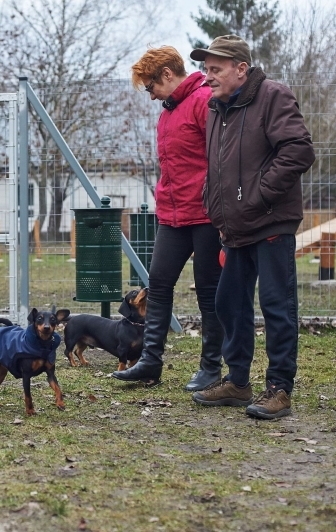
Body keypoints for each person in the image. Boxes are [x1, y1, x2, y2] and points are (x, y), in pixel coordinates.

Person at [188, 35, 315, 419]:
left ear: (240, 69)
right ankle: (238, 381)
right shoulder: (216, 109)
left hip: (271, 221)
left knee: (276, 305)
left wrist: (256, 196)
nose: (207, 76)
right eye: (205, 69)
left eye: (215, 69)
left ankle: (279, 388)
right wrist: (217, 203)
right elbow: (216, 168)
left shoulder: (273, 96)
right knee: (229, 303)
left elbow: (298, 150)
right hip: (235, 227)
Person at [112, 46, 225, 391]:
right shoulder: (168, 111)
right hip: (172, 216)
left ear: (166, 75)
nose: (150, 95)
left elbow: (222, 157)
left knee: (209, 293)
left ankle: (210, 368)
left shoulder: (204, 101)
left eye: (150, 87)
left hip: (205, 215)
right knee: (158, 285)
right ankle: (150, 362)